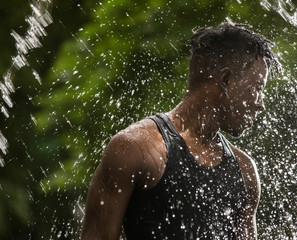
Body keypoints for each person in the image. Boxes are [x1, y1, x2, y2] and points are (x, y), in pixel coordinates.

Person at [81, 22, 280, 240]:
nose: (261, 104)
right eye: (258, 89)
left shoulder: (245, 171)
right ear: (226, 80)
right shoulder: (135, 149)